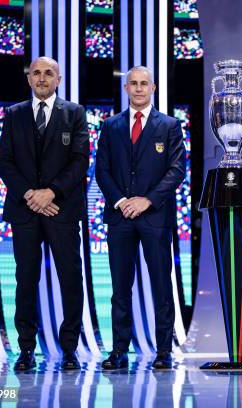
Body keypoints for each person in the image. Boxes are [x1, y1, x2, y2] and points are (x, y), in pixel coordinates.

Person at [0, 56, 89, 371]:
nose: (41, 78)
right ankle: (26, 350)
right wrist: (30, 195)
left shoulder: (75, 113)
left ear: (58, 79)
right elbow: (5, 162)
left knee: (70, 279)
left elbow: (80, 161)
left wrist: (50, 193)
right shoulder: (13, 115)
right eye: (36, 73)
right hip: (25, 211)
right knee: (25, 280)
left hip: (61, 209)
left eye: (48, 73)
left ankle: (69, 350)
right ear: (28, 79)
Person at [96, 66, 186, 370]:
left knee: (162, 286)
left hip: (155, 217)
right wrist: (123, 201)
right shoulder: (110, 126)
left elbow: (177, 170)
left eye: (143, 83)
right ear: (126, 89)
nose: (138, 88)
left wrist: (146, 200)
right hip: (120, 217)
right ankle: (119, 350)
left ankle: (164, 351)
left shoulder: (170, 126)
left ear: (153, 88)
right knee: (120, 288)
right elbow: (102, 170)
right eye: (132, 84)